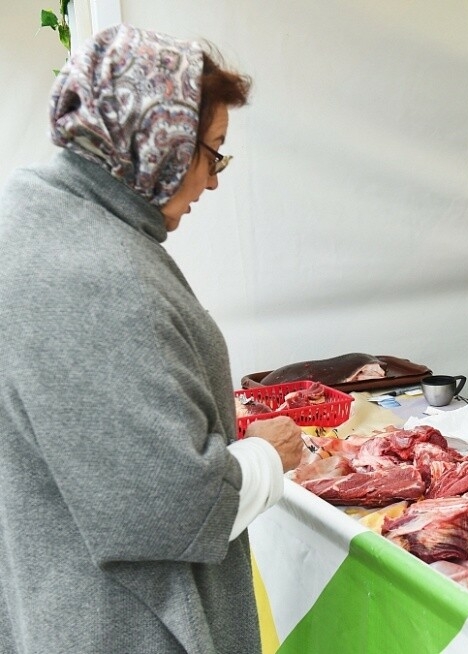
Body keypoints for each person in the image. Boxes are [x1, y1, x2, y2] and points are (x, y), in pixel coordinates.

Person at [0, 24, 304, 653]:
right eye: (212, 152)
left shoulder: (32, 213)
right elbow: (162, 507)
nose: (215, 180)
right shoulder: (89, 272)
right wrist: (268, 455)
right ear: (159, 141)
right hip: (118, 624)